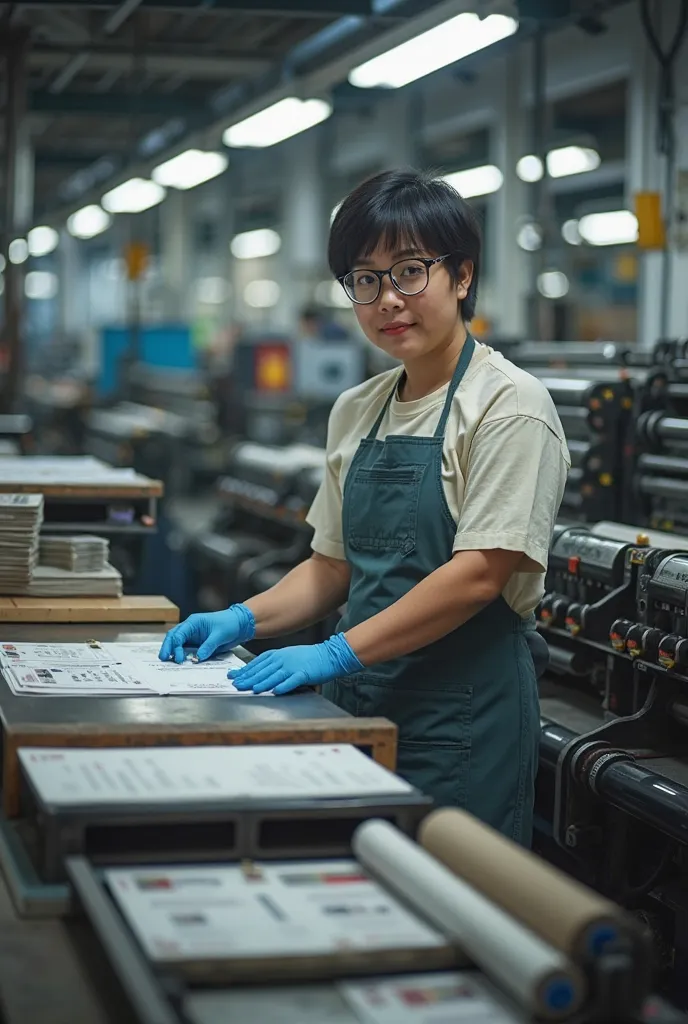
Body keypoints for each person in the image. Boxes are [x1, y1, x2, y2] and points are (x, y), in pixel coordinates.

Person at [160, 168, 570, 845]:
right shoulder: (359, 408)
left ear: (462, 276)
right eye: (366, 279)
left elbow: (479, 574)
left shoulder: (508, 406)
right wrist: (241, 617)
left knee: (454, 909)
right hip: (362, 704)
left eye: (410, 271)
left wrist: (337, 653)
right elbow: (330, 570)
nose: (388, 299)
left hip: (462, 717)